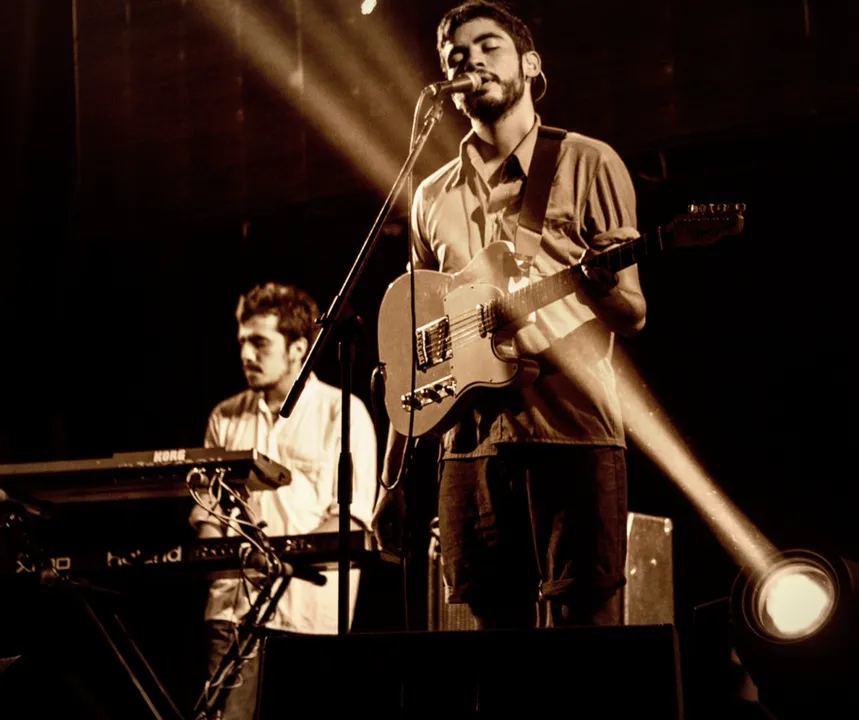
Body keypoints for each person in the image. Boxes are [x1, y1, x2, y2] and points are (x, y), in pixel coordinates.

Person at [373, 0, 647, 632]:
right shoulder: (431, 195)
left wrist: (597, 285)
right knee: (495, 650)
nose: (470, 60)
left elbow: (633, 312)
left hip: (571, 429)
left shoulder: (588, 162)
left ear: (530, 64)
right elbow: (415, 345)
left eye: (488, 45)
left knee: (585, 633)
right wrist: (391, 479)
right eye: (456, 56)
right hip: (466, 446)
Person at [189, 282, 378, 720]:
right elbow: (207, 518)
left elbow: (350, 521)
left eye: (259, 342)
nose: (246, 354)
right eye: (242, 342)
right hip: (233, 616)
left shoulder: (342, 412)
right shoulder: (225, 417)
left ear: (298, 348)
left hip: (311, 620)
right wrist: (224, 558)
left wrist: (276, 560)